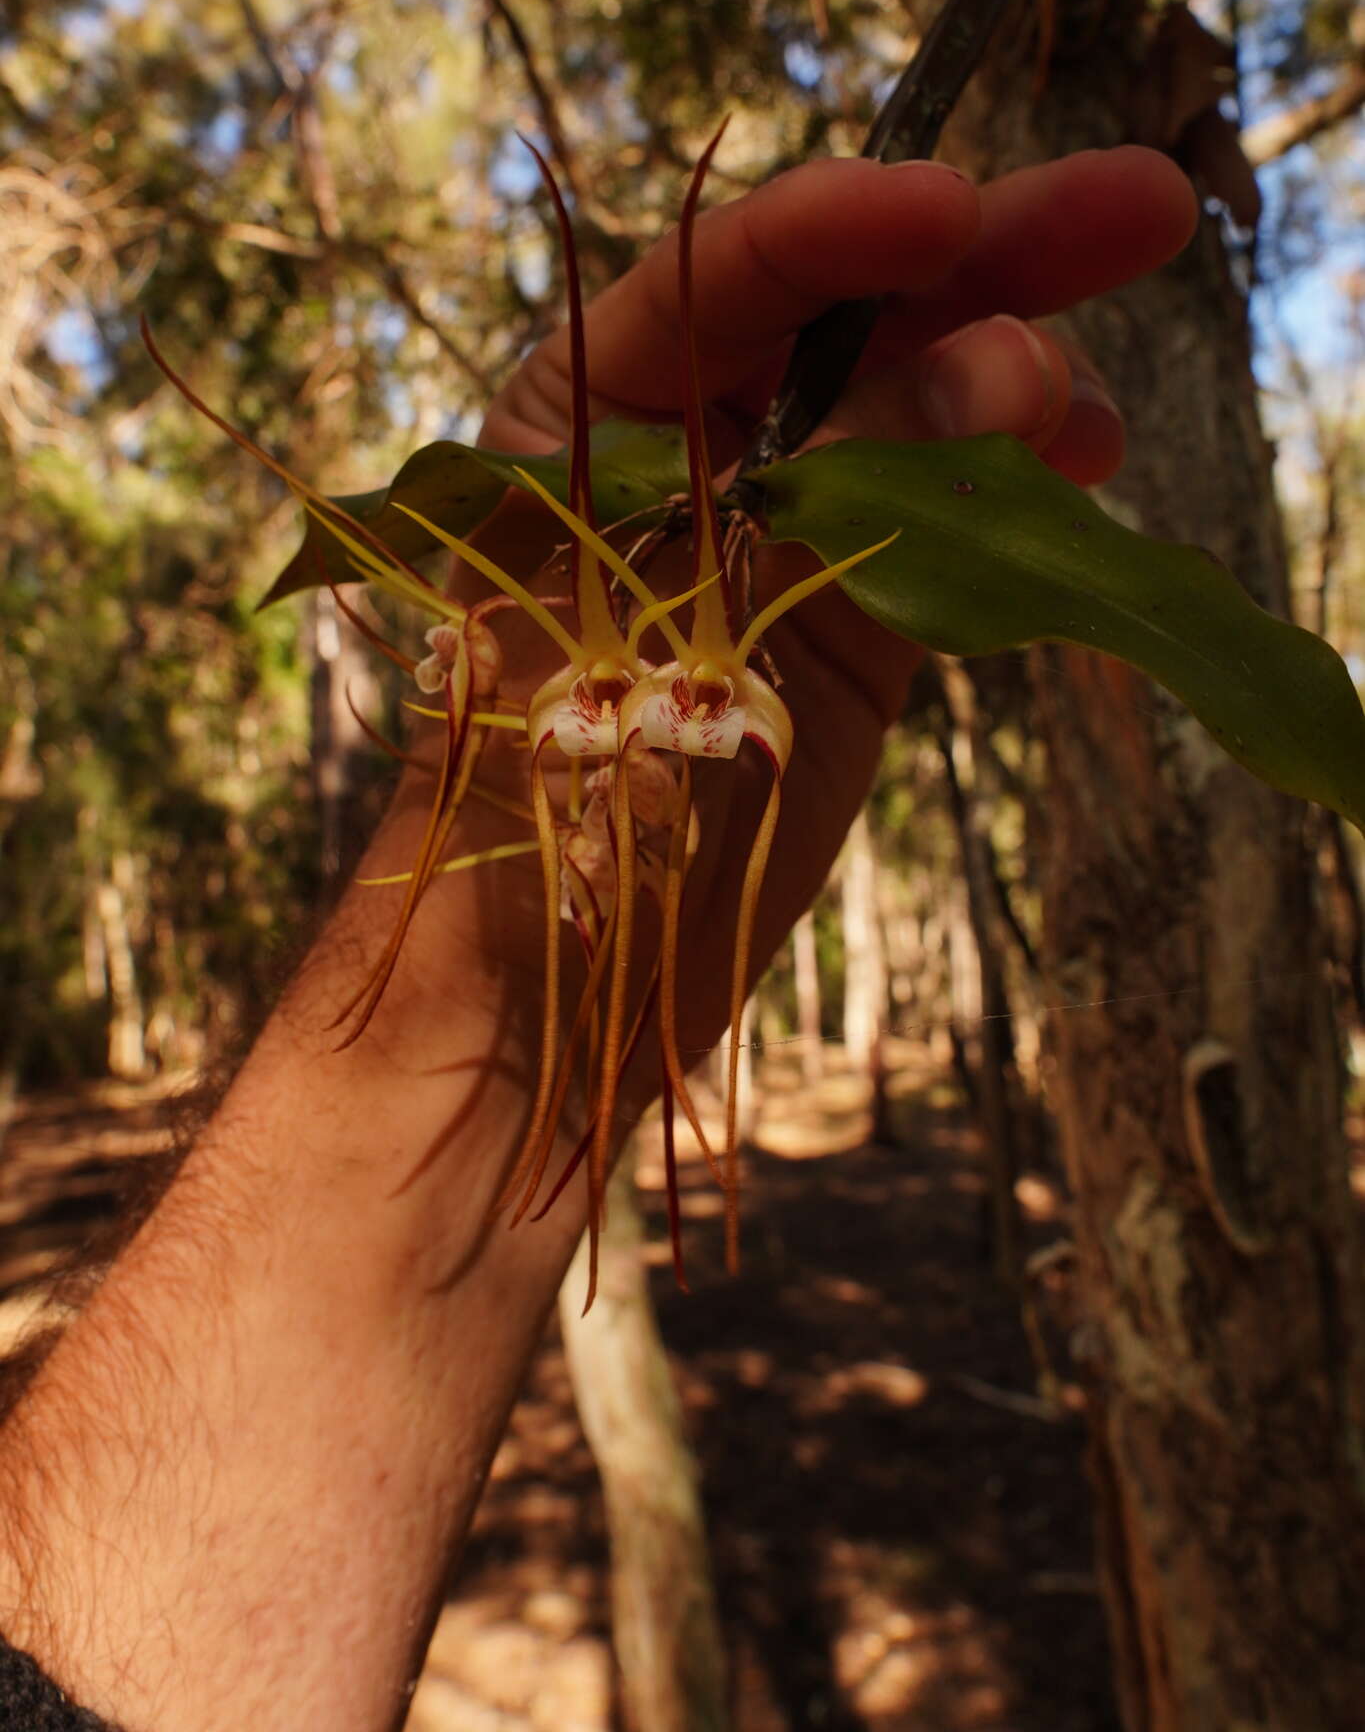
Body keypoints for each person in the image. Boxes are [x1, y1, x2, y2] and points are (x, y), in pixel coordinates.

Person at [0, 145, 1195, 1732]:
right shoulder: (585, 712)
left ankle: (671, 1108)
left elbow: (732, 782)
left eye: (692, 695)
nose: (673, 706)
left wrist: (512, 1076)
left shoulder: (694, 704)